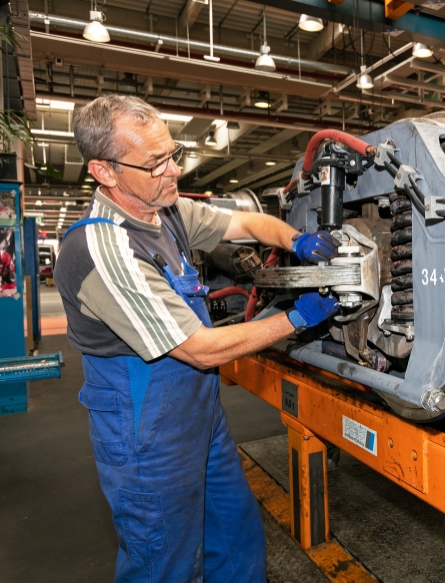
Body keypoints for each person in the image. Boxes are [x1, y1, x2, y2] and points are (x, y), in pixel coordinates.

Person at [54, 95, 339, 582]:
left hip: (200, 418)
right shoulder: (101, 249)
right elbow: (199, 350)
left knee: (236, 535)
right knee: (164, 561)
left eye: (173, 153)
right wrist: (298, 318)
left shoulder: (166, 212)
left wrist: (295, 240)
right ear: (105, 172)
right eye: (155, 163)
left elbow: (246, 222)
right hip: (145, 437)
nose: (174, 171)